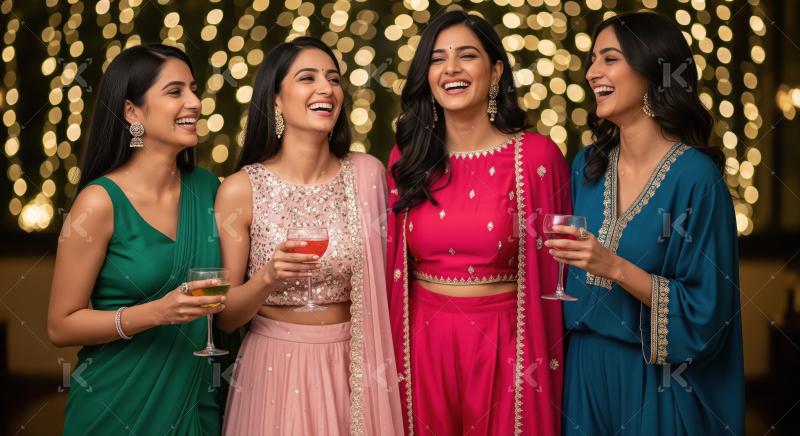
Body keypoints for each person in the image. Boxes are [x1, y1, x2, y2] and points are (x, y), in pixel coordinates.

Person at [549, 12, 744, 435]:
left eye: (609, 58)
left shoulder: (696, 179)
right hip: (582, 373)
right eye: (592, 59)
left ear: (654, 70)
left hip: (655, 383)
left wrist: (614, 267)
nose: (592, 72)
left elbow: (710, 312)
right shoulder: (588, 165)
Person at [386, 10, 570, 435]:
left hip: (508, 346)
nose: (451, 68)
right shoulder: (408, 160)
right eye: (437, 58)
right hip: (423, 345)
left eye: (466, 55)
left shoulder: (537, 158)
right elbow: (391, 268)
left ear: (496, 70)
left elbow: (559, 280)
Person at [215, 37, 402, 435]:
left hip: (353, 365)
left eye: (333, 79)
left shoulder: (368, 175)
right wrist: (267, 277)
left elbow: (390, 285)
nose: (326, 88)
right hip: (272, 367)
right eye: (308, 78)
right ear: (277, 100)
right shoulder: (240, 189)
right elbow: (227, 318)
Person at [48, 44, 229, 435]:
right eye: (175, 91)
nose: (195, 102)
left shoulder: (209, 189)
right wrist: (156, 313)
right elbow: (61, 326)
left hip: (195, 400)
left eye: (194, 89)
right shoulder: (99, 203)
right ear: (132, 112)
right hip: (116, 405)